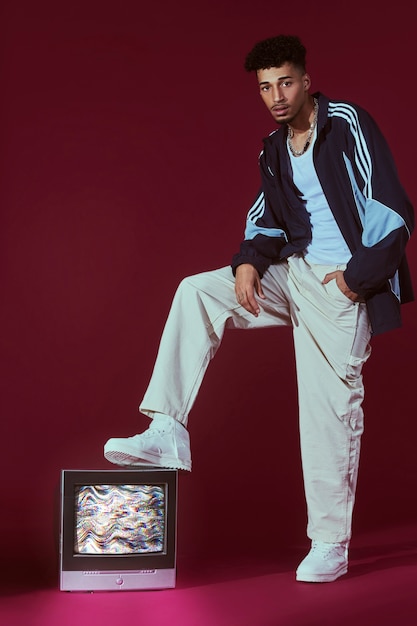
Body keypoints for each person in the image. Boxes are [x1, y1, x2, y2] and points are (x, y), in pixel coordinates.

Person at [104, 35, 414, 582]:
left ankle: (330, 544)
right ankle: (167, 426)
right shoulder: (272, 147)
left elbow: (391, 206)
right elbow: (266, 215)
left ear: (306, 80)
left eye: (285, 82)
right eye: (266, 87)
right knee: (196, 291)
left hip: (340, 289)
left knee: (327, 416)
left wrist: (356, 281)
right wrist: (248, 261)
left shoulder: (345, 124)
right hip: (290, 274)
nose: (276, 95)